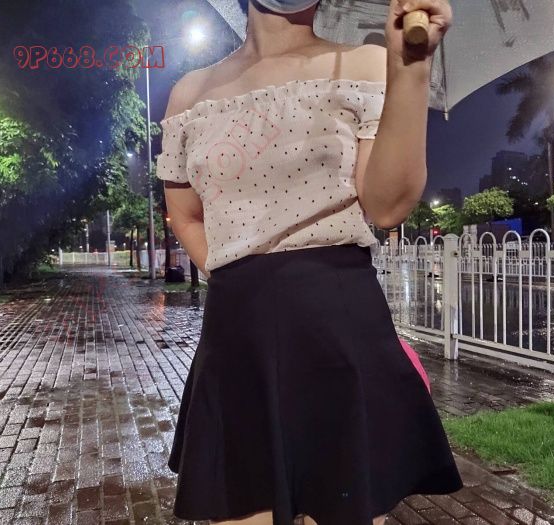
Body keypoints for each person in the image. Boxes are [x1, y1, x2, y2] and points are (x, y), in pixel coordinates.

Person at [155, 1, 461, 524]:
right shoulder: (190, 93)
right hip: (237, 337)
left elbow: (387, 206)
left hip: (340, 324)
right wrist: (238, 279)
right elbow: (184, 215)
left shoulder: (364, 63)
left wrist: (411, 66)